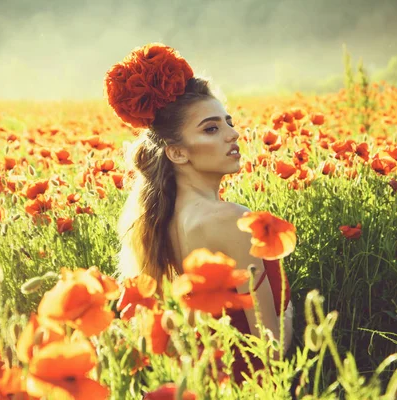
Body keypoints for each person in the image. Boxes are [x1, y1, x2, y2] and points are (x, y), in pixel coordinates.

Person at [105, 43, 293, 382]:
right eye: (211, 128)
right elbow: (272, 348)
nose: (233, 134)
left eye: (228, 122)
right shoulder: (230, 220)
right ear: (176, 153)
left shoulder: (157, 223)